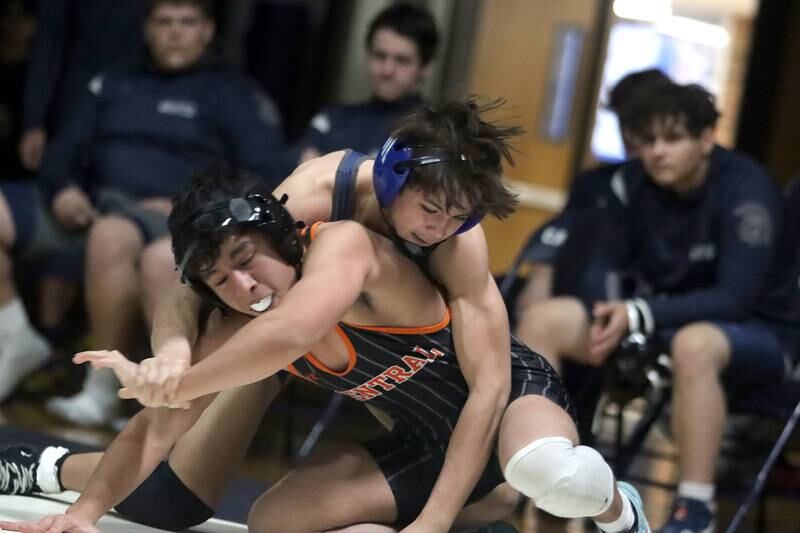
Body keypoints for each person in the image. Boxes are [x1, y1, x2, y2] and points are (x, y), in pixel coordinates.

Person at [1, 164, 649, 533]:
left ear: (284, 237)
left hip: (509, 397)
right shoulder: (240, 306)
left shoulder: (345, 243)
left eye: (249, 262)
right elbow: (156, 426)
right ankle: (480, 514)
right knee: (274, 521)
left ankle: (622, 508)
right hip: (424, 440)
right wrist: (86, 513)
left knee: (547, 472)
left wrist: (175, 378)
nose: (246, 287)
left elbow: (292, 330)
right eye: (223, 280)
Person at [515, 81, 793, 533]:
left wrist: (639, 312)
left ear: (706, 138)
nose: (658, 152)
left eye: (673, 139)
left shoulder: (747, 188)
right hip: (659, 318)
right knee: (545, 318)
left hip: (757, 333)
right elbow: (605, 263)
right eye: (648, 141)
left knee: (695, 343)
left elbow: (734, 298)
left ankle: (694, 509)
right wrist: (609, 310)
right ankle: (548, 468)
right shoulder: (635, 182)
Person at [0, 0, 285, 411]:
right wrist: (62, 187)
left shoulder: (232, 93)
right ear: (147, 29)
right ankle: (13, 333)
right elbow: (61, 151)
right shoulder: (114, 82)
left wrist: (194, 206)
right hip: (90, 207)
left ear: (207, 31)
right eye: (164, 22)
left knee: (112, 235)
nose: (175, 32)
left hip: (175, 222)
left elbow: (266, 175)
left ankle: (103, 387)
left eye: (187, 22)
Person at [511, 68, 670, 314]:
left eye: (639, 123)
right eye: (623, 122)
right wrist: (542, 275)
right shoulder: (595, 182)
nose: (629, 135)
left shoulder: (677, 188)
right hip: (576, 297)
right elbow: (560, 232)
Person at [291, 2, 438, 165]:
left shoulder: (432, 133)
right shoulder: (334, 120)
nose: (387, 70)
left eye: (402, 61)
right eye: (380, 56)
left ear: (425, 67)